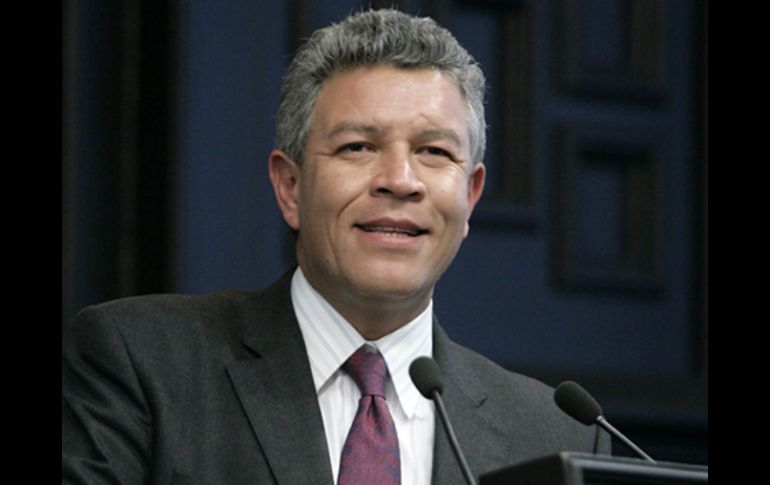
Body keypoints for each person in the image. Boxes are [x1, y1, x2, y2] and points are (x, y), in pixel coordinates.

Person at [62, 9, 608, 485]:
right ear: (290, 187)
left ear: (469, 195)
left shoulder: (558, 433)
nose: (400, 180)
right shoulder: (142, 363)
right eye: (358, 147)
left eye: (434, 152)